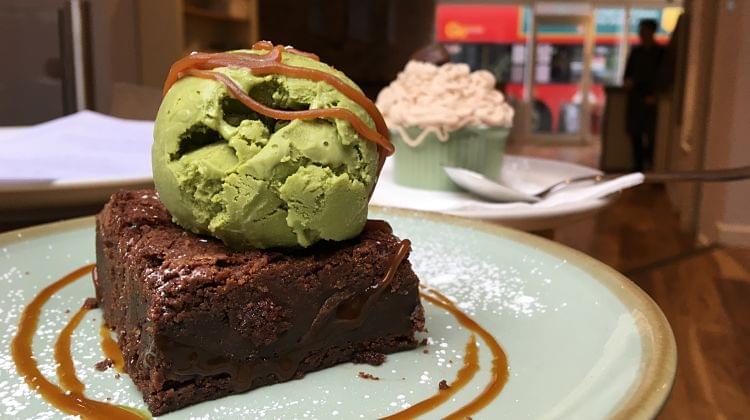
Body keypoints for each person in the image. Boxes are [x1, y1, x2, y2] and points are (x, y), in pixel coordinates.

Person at [624, 19, 665, 171]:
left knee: (652, 136)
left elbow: (663, 78)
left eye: (644, 31)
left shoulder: (660, 53)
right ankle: (637, 168)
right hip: (635, 98)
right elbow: (627, 75)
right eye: (640, 31)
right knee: (635, 135)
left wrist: (655, 95)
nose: (642, 34)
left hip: (651, 101)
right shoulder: (636, 52)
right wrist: (628, 83)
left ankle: (651, 167)